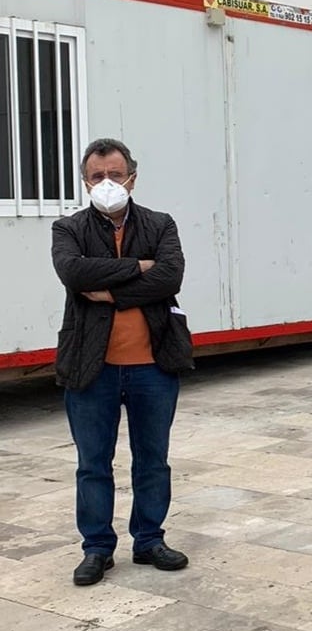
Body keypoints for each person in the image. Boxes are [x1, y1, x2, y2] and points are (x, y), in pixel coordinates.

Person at [52, 138, 194, 586]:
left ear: (132, 176)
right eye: (97, 177)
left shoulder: (159, 223)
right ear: (85, 181)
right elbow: (74, 273)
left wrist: (111, 290)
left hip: (153, 364)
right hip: (91, 368)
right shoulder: (68, 228)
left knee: (153, 460)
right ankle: (97, 548)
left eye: (115, 175)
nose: (107, 184)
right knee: (93, 463)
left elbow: (171, 275)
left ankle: (149, 540)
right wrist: (141, 268)